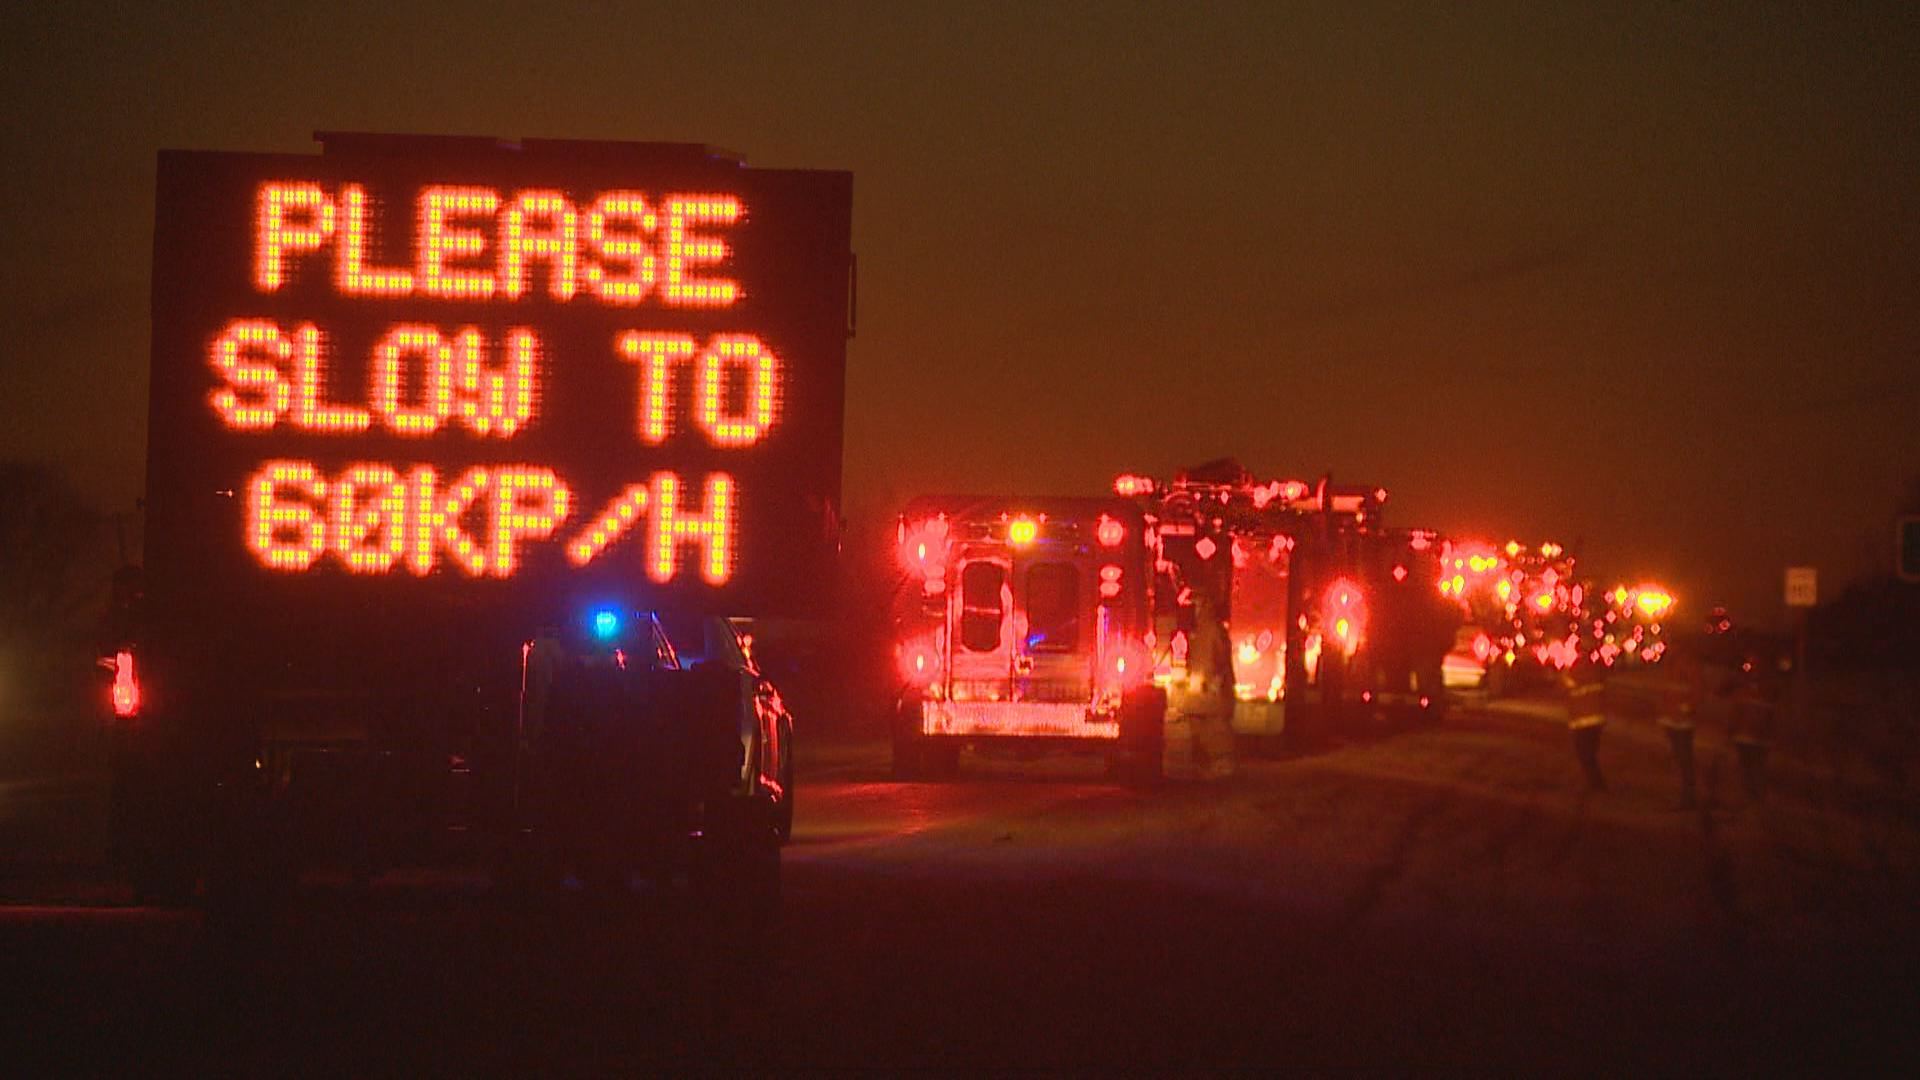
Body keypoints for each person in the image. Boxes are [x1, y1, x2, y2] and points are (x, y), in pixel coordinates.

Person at [1184, 590, 1237, 779]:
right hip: (1201, 689)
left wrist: (1217, 680)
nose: (1196, 609)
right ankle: (1206, 764)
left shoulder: (1212, 630)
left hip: (1211, 689)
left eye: (1199, 605)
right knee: (1200, 727)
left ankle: (1219, 766)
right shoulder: (1201, 630)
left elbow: (1221, 659)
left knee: (1216, 729)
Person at [1563, 661, 1607, 791]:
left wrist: (1565, 674)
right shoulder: (1595, 671)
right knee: (1589, 754)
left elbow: (1568, 688)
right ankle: (1596, 784)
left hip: (1582, 722)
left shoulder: (1576, 673)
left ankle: (1597, 785)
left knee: (1585, 755)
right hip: (1595, 720)